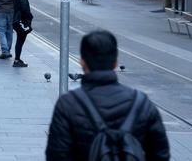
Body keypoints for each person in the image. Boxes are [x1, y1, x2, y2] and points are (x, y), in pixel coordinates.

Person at [46, 30, 170, 160]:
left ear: (82, 62)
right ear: (115, 63)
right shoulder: (142, 103)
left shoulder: (68, 105)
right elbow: (160, 154)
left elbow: (57, 155)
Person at [12, 0, 33, 67]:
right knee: (20, 40)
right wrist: (30, 16)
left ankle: (17, 59)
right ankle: (17, 60)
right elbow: (25, 8)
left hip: (17, 20)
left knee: (19, 40)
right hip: (22, 20)